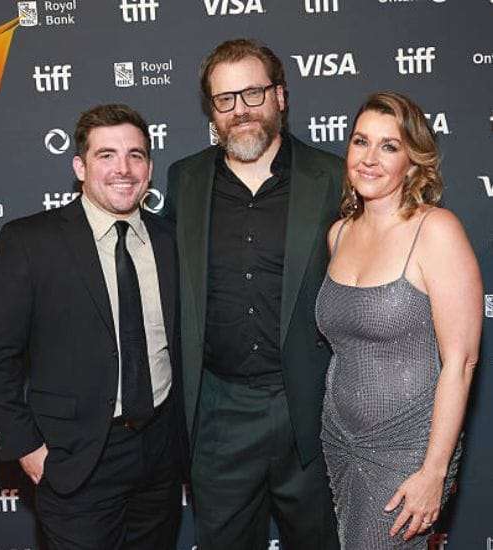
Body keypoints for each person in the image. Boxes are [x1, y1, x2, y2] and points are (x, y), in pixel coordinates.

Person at [0, 104, 186, 550]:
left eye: (135, 155)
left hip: (161, 456)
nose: (123, 169)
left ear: (149, 167)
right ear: (80, 167)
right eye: (106, 155)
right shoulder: (31, 241)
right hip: (76, 459)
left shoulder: (171, 240)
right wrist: (28, 450)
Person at [162, 39, 342, 549]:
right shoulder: (185, 179)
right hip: (218, 411)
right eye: (225, 99)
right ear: (212, 111)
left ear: (280, 96)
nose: (240, 109)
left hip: (308, 408)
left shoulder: (333, 177)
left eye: (253, 93)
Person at [317, 91, 481, 548]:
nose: (369, 158)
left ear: (412, 162)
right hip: (340, 441)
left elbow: (461, 362)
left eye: (388, 146)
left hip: (409, 449)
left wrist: (434, 471)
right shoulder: (339, 234)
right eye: (360, 141)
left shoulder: (436, 230)